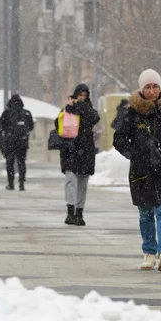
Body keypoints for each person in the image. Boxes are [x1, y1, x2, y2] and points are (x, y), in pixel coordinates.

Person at [114, 69, 161, 272]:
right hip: (141, 171)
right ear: (142, 89)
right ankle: (149, 252)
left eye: (155, 86)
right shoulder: (132, 113)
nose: (152, 90)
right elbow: (118, 139)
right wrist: (135, 154)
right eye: (148, 87)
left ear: (160, 87)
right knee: (145, 213)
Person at [56, 84, 100, 226]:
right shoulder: (68, 109)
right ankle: (70, 212)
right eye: (80, 95)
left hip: (86, 150)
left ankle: (79, 213)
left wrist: (80, 106)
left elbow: (94, 118)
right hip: (70, 149)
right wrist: (70, 108)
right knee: (70, 180)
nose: (82, 98)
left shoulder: (89, 110)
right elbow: (58, 124)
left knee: (82, 183)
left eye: (84, 96)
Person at [0, 94, 34, 191]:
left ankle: (11, 183)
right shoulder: (26, 113)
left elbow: (1, 125)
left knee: (10, 162)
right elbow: (31, 126)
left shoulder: (6, 113)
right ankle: (22, 183)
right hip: (22, 141)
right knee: (21, 162)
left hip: (10, 141)